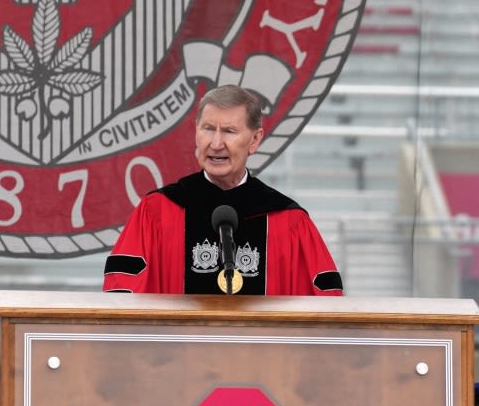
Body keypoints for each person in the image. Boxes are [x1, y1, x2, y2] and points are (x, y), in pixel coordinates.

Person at [103, 84, 343, 295]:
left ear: (255, 140)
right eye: (208, 128)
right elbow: (122, 298)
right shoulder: (156, 211)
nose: (216, 144)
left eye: (229, 131)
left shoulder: (288, 220)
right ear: (195, 132)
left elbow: (322, 309)